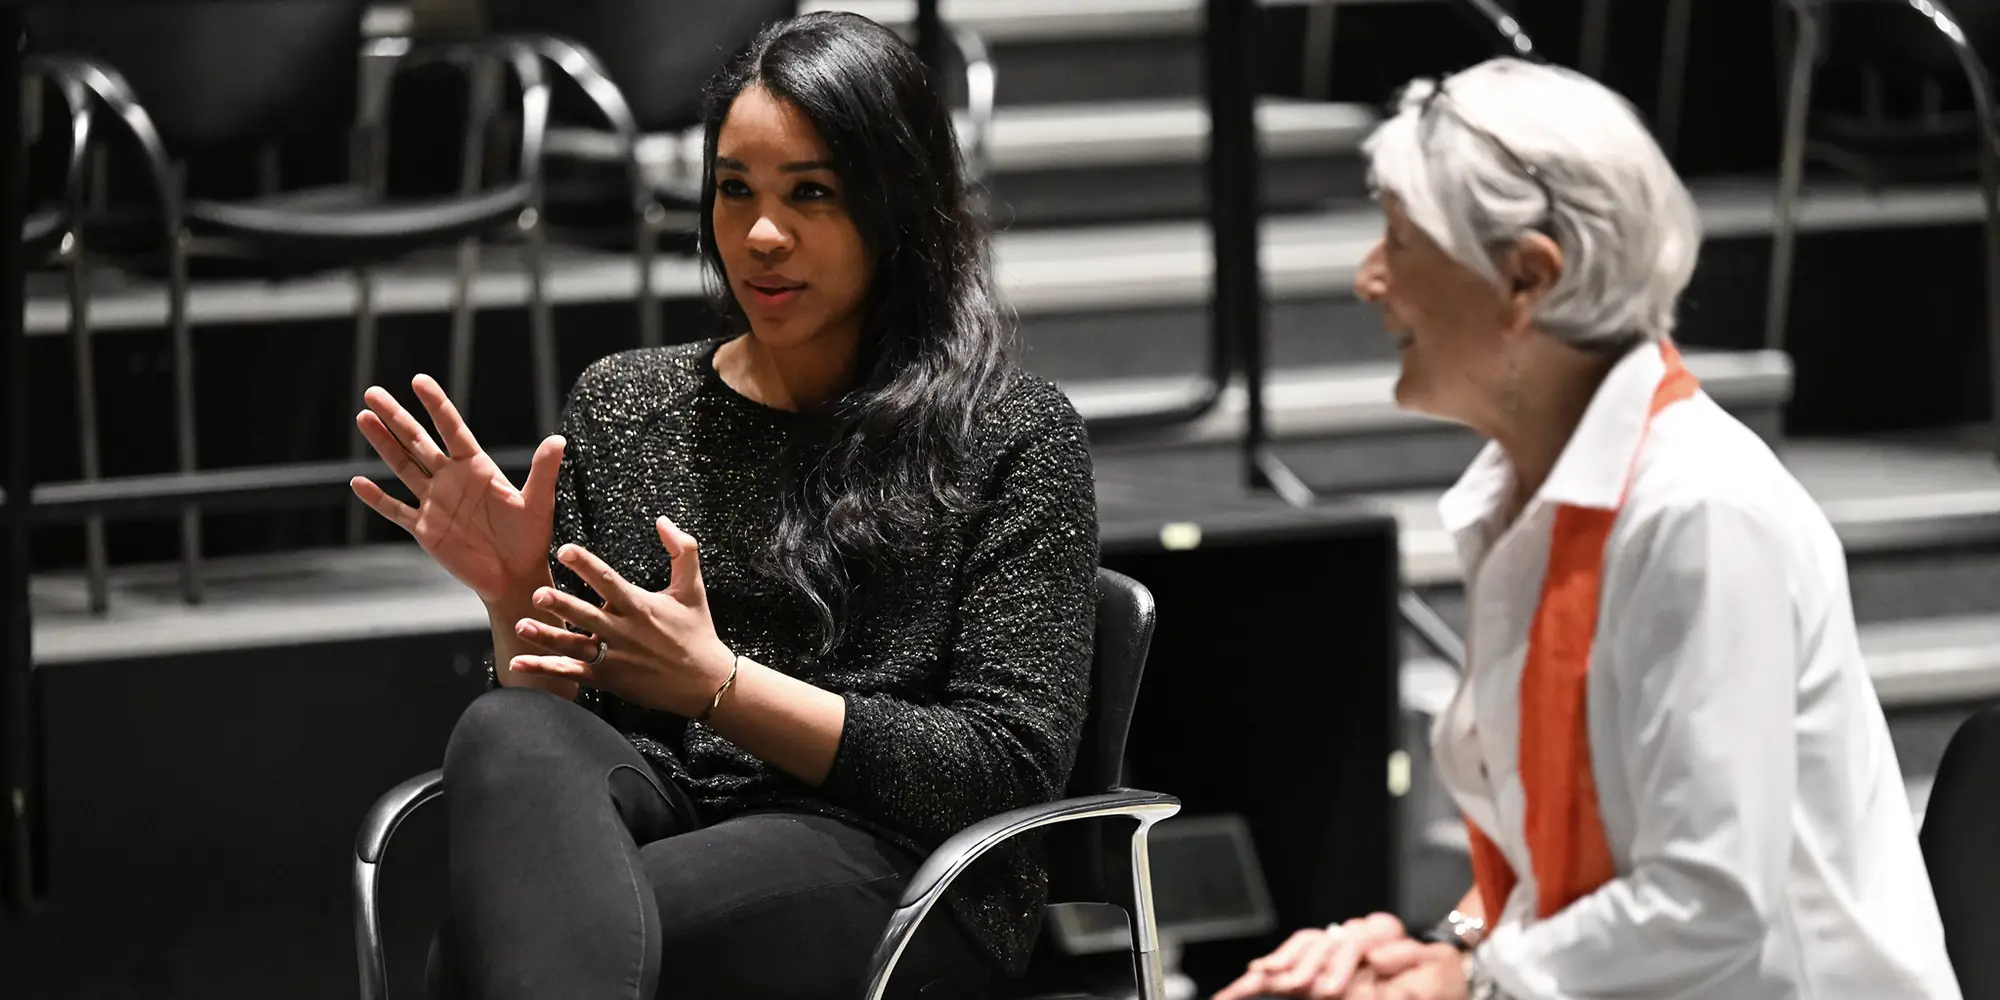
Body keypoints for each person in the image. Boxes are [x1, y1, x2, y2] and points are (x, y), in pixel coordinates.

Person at [348, 12, 1099, 999]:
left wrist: (720, 686)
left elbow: (998, 766)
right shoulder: (624, 405)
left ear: (896, 205)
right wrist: (513, 594)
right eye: (732, 190)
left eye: (810, 194)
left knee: (497, 946)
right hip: (666, 812)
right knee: (505, 731)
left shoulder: (1008, 432)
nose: (760, 235)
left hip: (899, 864)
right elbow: (580, 730)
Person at [1218, 57, 1962, 1000]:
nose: (1369, 279)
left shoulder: (1699, 510)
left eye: (1400, 243)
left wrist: (1470, 981)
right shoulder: (1522, 494)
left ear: (1528, 278)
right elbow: (1564, 870)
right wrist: (1431, 945)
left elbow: (1708, 903)